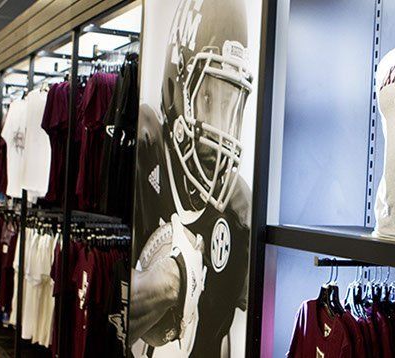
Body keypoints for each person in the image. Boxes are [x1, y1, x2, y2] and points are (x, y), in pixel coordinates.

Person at [129, 0, 254, 356]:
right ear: (175, 85)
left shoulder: (238, 208)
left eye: (230, 104)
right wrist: (172, 280)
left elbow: (229, 339)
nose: (219, 125)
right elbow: (114, 307)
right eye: (209, 98)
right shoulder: (145, 149)